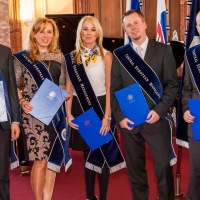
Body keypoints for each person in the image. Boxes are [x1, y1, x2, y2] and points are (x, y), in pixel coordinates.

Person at [110, 10, 179, 200]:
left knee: (163, 166)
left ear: (145, 24)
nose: (133, 28)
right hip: (129, 122)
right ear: (125, 30)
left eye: (136, 23)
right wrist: (119, 117)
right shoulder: (119, 55)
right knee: (135, 169)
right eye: (128, 25)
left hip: (155, 120)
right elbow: (114, 89)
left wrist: (159, 111)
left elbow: (172, 85)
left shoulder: (164, 50)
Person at [65, 16, 125, 200]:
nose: (89, 33)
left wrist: (107, 116)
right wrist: (68, 113)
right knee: (87, 154)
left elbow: (109, 88)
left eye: (92, 29)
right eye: (85, 29)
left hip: (100, 105)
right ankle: (90, 196)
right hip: (79, 106)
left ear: (98, 32)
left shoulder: (107, 55)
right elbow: (69, 87)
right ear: (80, 32)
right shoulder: (72, 57)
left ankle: (103, 196)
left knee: (103, 153)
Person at [13, 18, 72, 200]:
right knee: (40, 161)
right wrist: (22, 101)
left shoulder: (59, 56)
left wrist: (65, 93)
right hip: (33, 114)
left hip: (55, 114)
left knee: (52, 162)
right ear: (34, 34)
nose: (45, 36)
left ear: (54, 35)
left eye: (49, 31)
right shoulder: (22, 57)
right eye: (41, 31)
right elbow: (13, 85)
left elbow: (62, 85)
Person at [182, 11, 200, 199]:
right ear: (197, 28)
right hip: (197, 120)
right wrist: (186, 110)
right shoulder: (191, 55)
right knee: (196, 171)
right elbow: (186, 88)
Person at [0, 44, 20, 200]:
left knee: (2, 173)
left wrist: (15, 121)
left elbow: (12, 88)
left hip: (2, 122)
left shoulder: (5, 52)